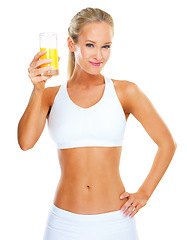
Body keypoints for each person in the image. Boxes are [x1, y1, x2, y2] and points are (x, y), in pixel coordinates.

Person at [17, 7, 177, 240]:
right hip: (63, 223)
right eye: (90, 45)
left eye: (106, 46)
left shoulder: (126, 91)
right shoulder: (50, 95)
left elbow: (167, 143)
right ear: (71, 45)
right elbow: (25, 143)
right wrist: (38, 88)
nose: (99, 56)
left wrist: (145, 193)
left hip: (116, 221)